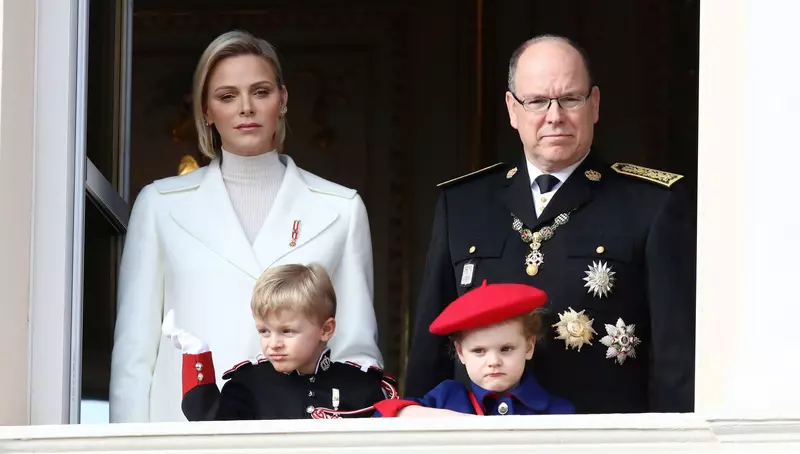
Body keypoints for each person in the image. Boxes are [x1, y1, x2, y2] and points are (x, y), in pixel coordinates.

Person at [404, 35, 696, 414]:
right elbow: (432, 345)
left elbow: (675, 355)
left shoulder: (651, 204)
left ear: (594, 105)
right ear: (512, 109)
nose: (554, 116)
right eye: (538, 101)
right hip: (477, 447)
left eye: (570, 99)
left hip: (600, 445)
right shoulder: (462, 204)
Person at [110, 30, 383, 423]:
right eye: (226, 96)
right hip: (181, 440)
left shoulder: (341, 208)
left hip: (299, 446)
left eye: (260, 92)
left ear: (283, 100)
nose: (245, 108)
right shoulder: (159, 205)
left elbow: (356, 352)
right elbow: (135, 354)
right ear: (206, 110)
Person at [167, 263, 396, 421]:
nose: (273, 343)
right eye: (264, 331)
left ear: (326, 329)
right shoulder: (249, 384)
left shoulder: (360, 385)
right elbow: (210, 421)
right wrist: (197, 355)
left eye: (287, 331)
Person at [374, 280, 573, 418]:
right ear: (460, 352)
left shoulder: (557, 410)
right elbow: (381, 416)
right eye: (479, 351)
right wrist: (445, 418)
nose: (493, 361)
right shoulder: (445, 397)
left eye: (506, 349)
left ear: (529, 347)